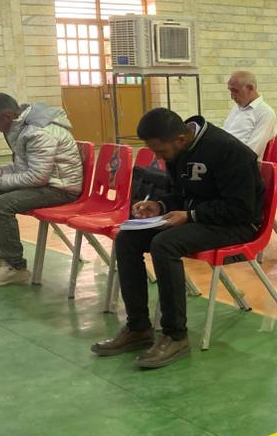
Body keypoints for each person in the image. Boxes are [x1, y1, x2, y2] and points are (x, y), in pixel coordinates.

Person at [90, 109, 264, 369]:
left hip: (238, 224)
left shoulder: (228, 150)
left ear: (181, 139)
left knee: (165, 244)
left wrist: (190, 215)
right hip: (202, 218)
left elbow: (242, 209)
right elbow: (180, 195)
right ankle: (138, 328)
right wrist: (160, 205)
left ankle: (175, 336)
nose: (159, 158)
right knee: (127, 238)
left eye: (160, 152)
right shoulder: (177, 151)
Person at [0, 93, 83, 287]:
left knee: (1, 204)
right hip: (44, 183)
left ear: (8, 116)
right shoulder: (21, 127)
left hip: (60, 189)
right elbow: (25, 167)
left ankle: (15, 266)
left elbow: (37, 176)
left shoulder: (38, 131)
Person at [222, 70, 277, 159]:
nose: (232, 96)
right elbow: (224, 136)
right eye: (230, 91)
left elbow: (251, 152)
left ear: (250, 88)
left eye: (235, 91)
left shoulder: (265, 113)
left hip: (242, 162)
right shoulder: (236, 109)